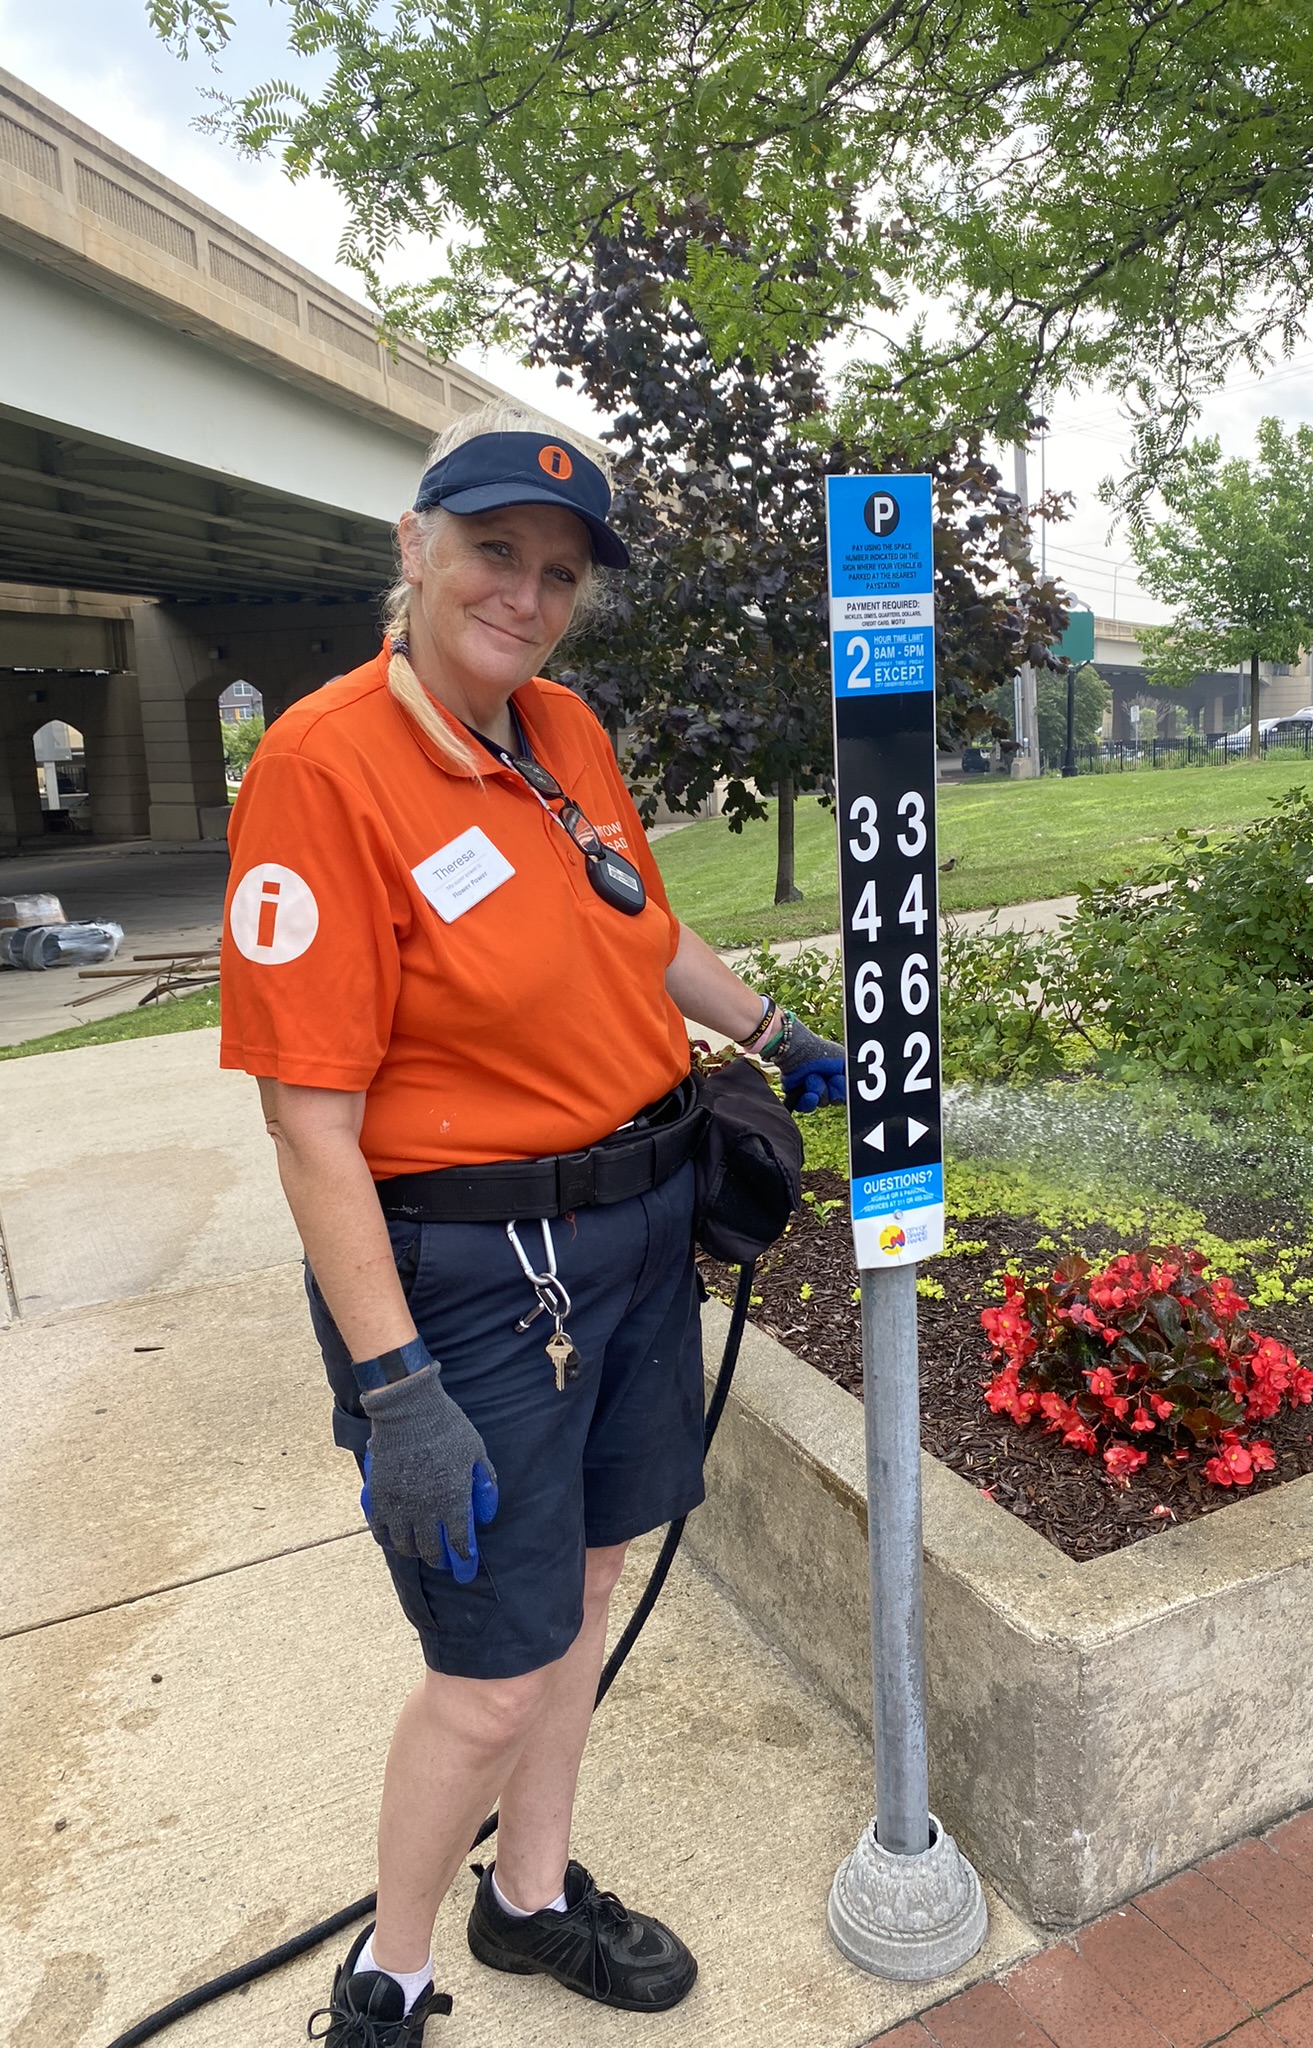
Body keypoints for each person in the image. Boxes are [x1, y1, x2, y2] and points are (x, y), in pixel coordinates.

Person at [219, 400, 846, 2047]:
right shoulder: (323, 768)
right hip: (476, 1280)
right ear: (414, 548)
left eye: (561, 573)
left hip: (638, 1231)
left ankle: (531, 1897)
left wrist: (769, 1028)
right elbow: (308, 1122)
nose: (527, 594)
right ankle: (393, 1971)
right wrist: (397, 1388)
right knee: (492, 1668)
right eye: (496, 551)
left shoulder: (560, 728)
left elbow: (640, 925)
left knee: (584, 1584)